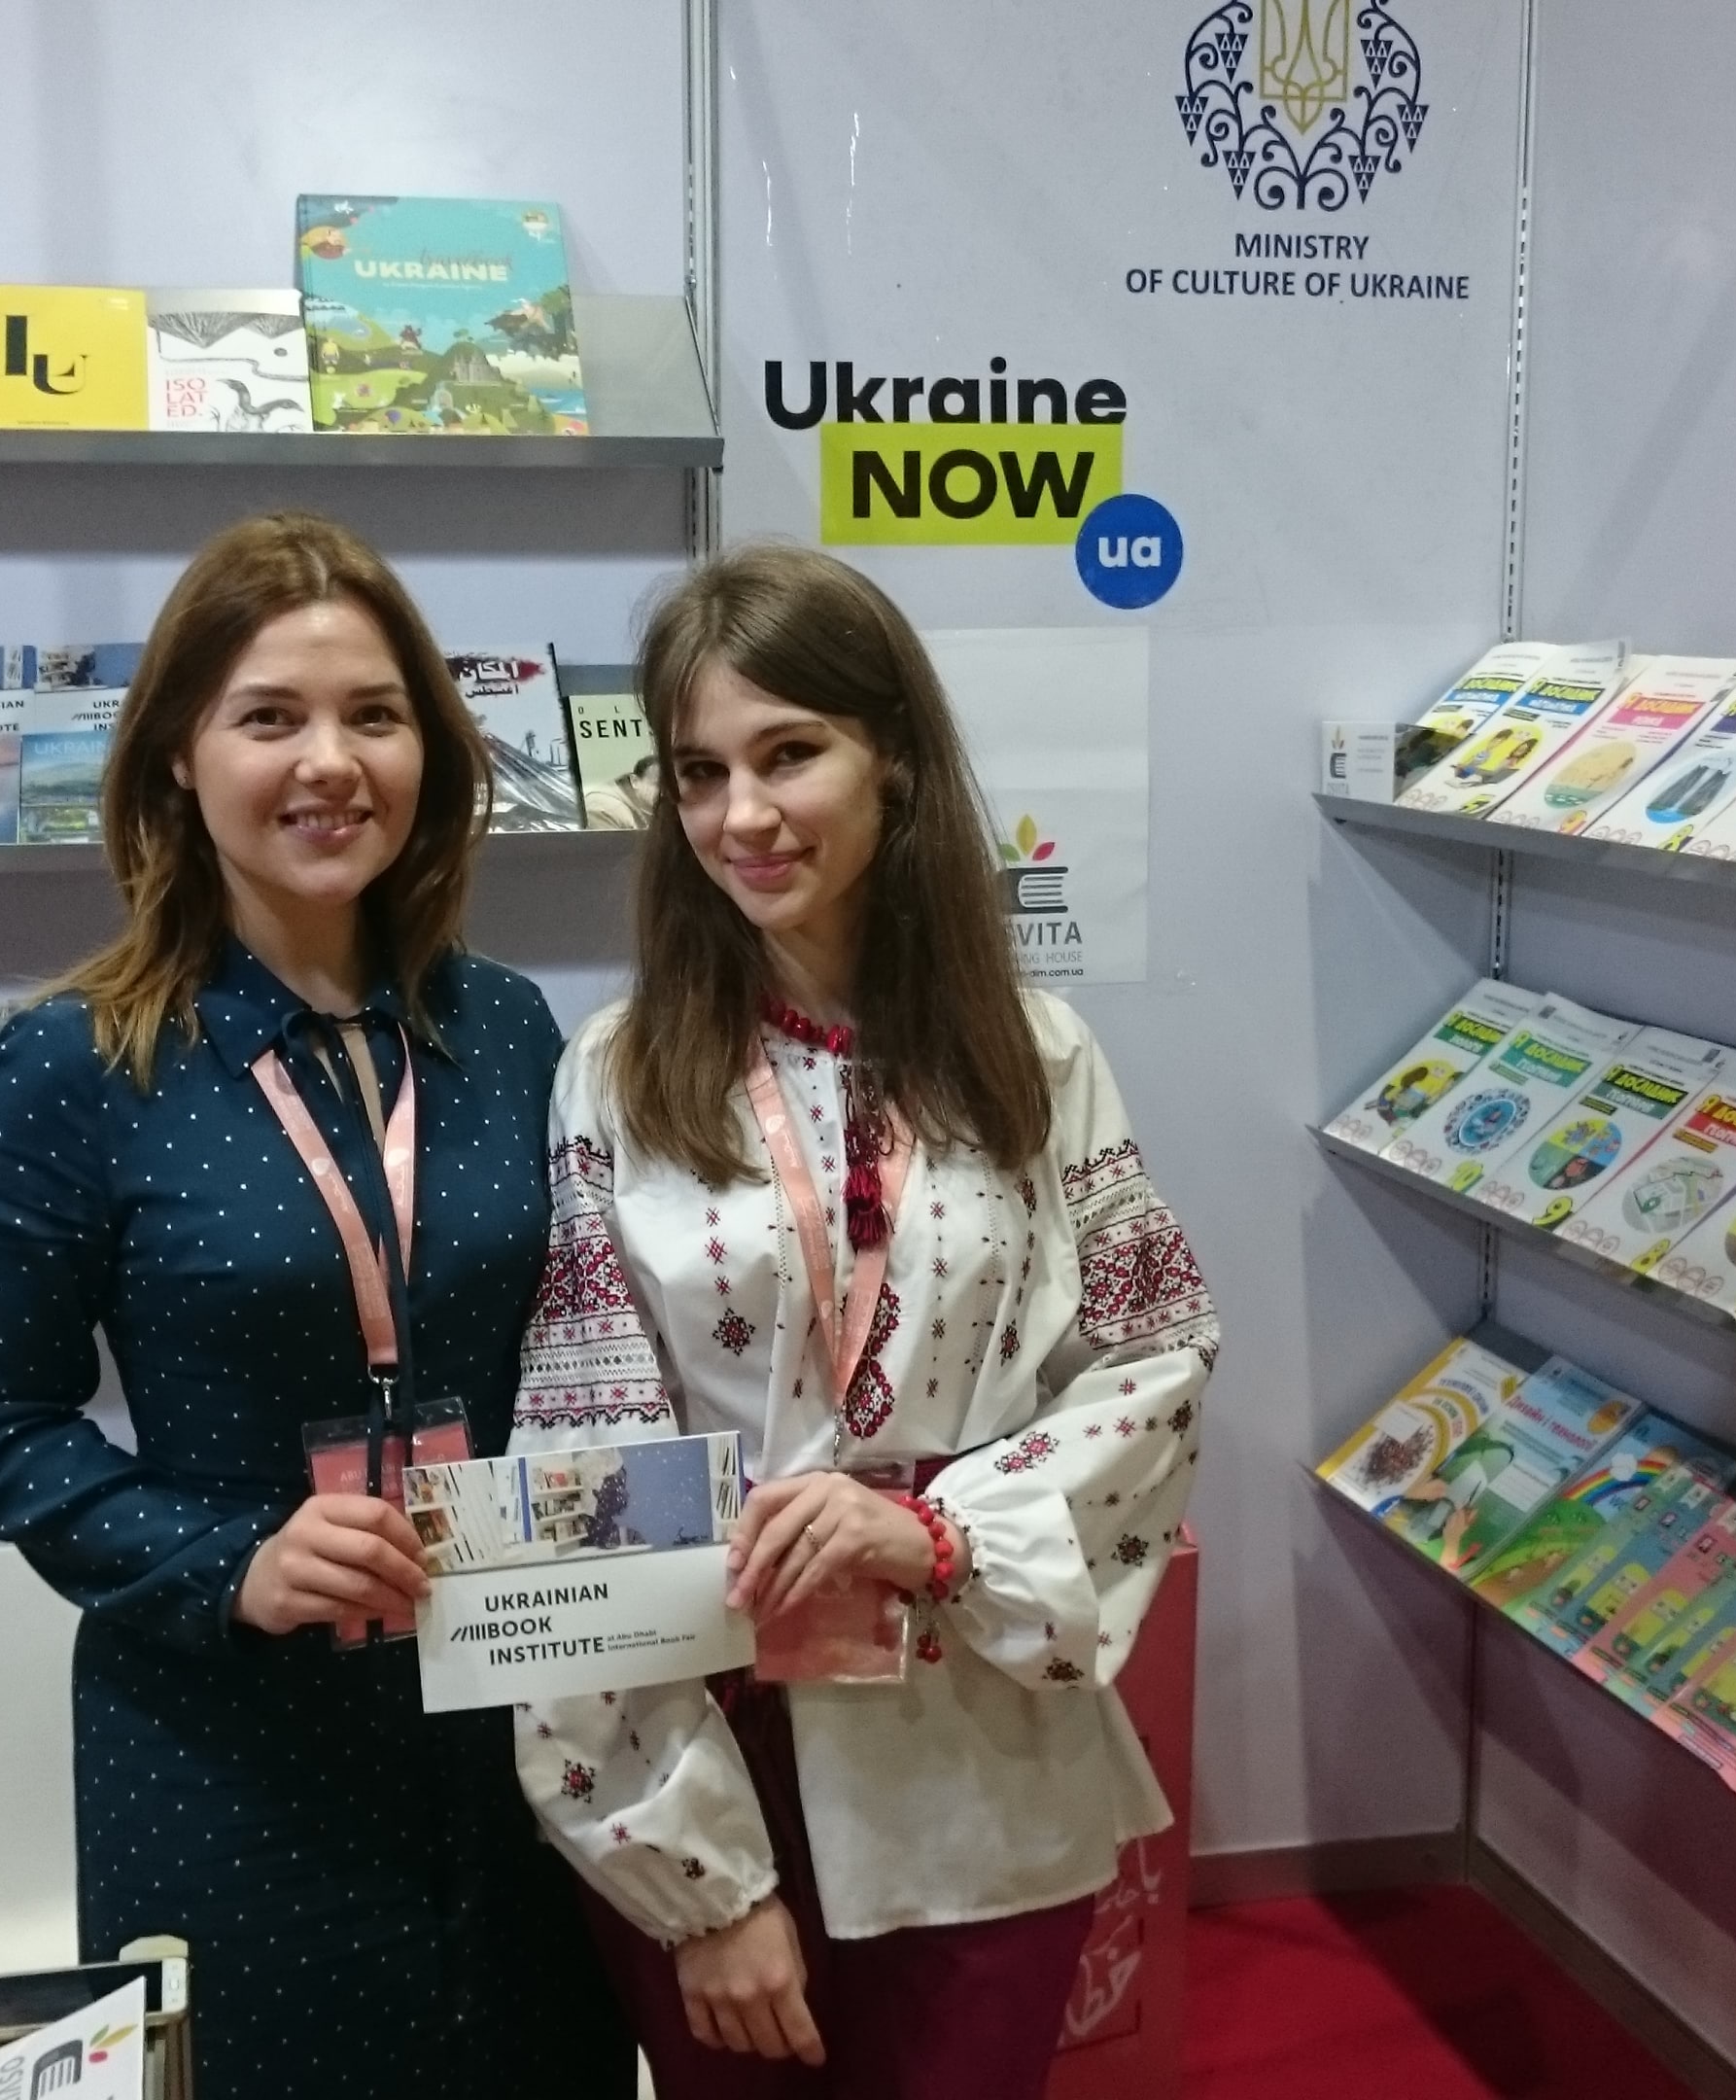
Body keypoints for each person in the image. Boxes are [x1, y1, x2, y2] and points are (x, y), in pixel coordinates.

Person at [0, 511, 632, 2100]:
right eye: (270, 718)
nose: (331, 763)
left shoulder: (510, 1031)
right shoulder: (71, 1067)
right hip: (231, 1750)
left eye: (374, 715)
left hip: (512, 1711)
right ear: (179, 755)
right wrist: (231, 1560)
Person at [508, 543, 1219, 2097]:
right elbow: (585, 1459)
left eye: (789, 754)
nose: (741, 816)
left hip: (978, 1748)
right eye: (699, 773)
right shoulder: (617, 1075)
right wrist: (695, 1876)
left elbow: (1158, 1360)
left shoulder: (1033, 1051)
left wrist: (941, 1531)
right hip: (715, 1739)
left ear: (891, 754)